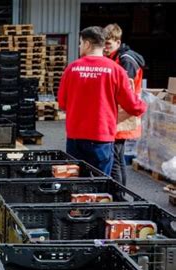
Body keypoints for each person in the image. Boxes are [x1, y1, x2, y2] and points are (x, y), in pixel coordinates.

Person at [58, 27, 146, 175]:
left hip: (75, 137)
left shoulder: (71, 69)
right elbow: (132, 106)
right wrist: (143, 105)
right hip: (102, 137)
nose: (79, 47)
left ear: (87, 44)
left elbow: (62, 103)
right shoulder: (115, 70)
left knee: (75, 181)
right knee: (101, 184)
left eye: (80, 43)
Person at [104, 23, 145, 186]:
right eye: (104, 43)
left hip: (123, 114)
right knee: (117, 157)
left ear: (118, 42)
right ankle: (119, 192)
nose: (105, 48)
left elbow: (125, 90)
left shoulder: (126, 60)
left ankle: (119, 195)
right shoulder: (114, 58)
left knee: (115, 158)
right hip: (120, 112)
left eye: (109, 44)